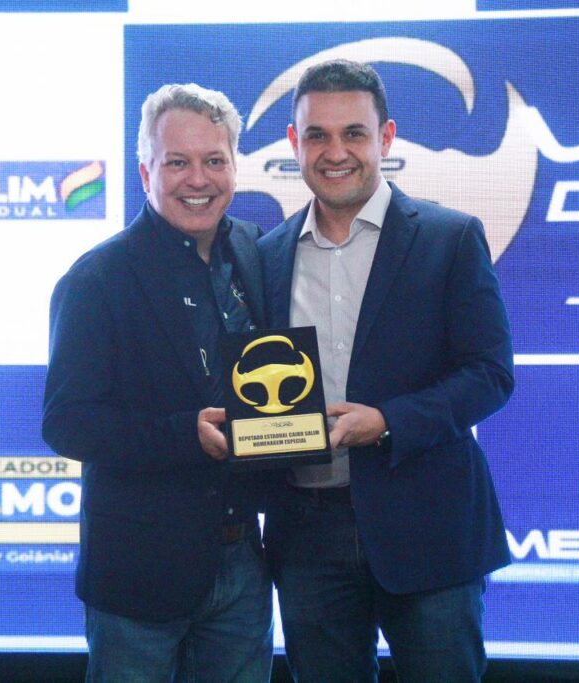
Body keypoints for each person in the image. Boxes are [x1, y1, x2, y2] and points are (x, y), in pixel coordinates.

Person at [258, 60, 515, 682]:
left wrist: (388, 421)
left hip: (429, 527)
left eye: (354, 133)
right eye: (317, 135)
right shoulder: (265, 255)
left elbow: (489, 373)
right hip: (307, 536)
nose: (335, 152)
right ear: (294, 143)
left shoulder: (450, 238)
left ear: (386, 137)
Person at [42, 83, 272, 682]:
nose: (198, 179)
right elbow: (67, 422)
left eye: (214, 160)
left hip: (244, 566)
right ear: (146, 172)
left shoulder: (254, 251)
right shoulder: (96, 280)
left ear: (234, 167)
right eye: (177, 162)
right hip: (138, 577)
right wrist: (182, 436)